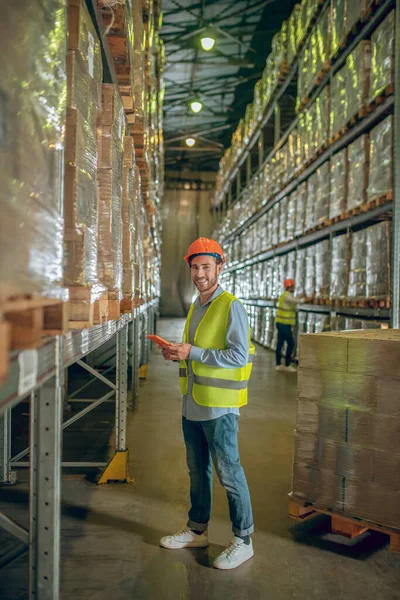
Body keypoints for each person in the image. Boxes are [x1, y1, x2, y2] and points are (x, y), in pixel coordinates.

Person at [159, 237, 255, 570]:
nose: (200, 273)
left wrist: (193, 352)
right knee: (197, 472)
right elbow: (195, 354)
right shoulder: (196, 306)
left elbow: (238, 356)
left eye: (206, 267)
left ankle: (243, 540)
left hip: (219, 408)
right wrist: (176, 355)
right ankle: (197, 529)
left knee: (229, 473)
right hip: (193, 404)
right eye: (195, 267)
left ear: (219, 267)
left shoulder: (231, 306)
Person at [275, 278, 305, 373]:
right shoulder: (286, 296)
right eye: (293, 286)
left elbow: (295, 307)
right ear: (289, 287)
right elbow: (296, 301)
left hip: (284, 324)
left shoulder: (287, 296)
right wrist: (305, 298)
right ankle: (287, 364)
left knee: (280, 343)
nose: (294, 288)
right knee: (291, 343)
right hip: (283, 324)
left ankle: (278, 364)